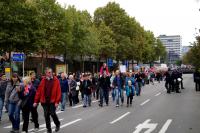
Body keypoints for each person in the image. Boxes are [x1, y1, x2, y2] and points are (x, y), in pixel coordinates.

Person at [33, 68, 61, 133]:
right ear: (46, 73)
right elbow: (39, 92)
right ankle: (49, 129)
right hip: (44, 101)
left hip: (52, 101)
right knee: (46, 115)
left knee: (52, 113)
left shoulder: (56, 80)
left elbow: (58, 91)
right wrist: (36, 101)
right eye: (48, 72)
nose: (50, 73)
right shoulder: (43, 80)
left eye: (51, 72)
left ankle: (57, 124)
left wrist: (57, 101)